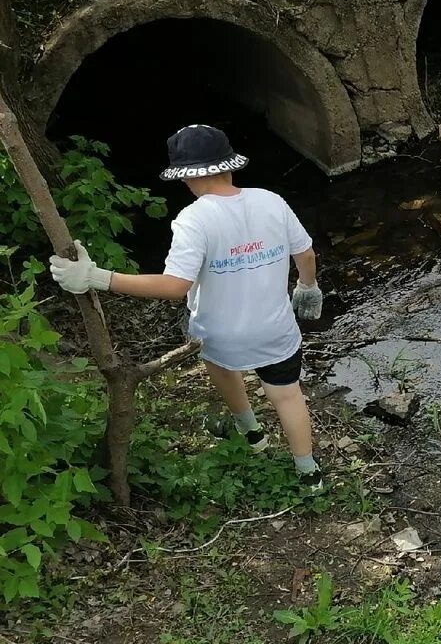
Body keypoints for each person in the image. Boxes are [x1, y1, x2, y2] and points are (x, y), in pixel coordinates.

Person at [48, 124, 327, 492]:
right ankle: (309, 474)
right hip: (275, 328)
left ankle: (251, 434)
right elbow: (305, 253)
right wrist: (308, 285)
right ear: (229, 166)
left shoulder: (194, 220)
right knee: (287, 394)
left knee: (221, 366)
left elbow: (175, 286)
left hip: (218, 332)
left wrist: (98, 277)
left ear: (186, 177)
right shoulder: (271, 201)